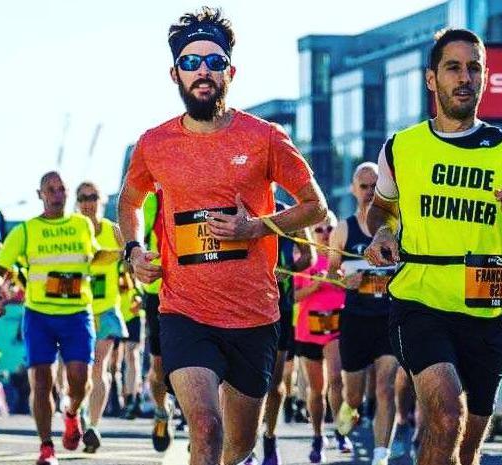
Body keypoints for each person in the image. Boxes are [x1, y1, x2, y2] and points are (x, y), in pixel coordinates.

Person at [116, 7, 327, 465]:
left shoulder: (266, 138)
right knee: (207, 430)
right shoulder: (153, 144)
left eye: (214, 61)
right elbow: (129, 202)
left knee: (237, 445)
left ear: (231, 70)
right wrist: (133, 250)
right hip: (184, 311)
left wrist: (256, 227)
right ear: (175, 73)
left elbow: (316, 206)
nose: (203, 72)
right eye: (191, 63)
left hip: (253, 315)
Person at [363, 28, 502, 465]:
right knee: (445, 415)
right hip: (420, 299)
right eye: (453, 67)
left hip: (486, 306)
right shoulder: (402, 148)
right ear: (431, 79)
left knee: (465, 449)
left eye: (474, 68)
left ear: (485, 77)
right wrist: (383, 233)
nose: (465, 77)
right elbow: (380, 209)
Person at [0, 171, 105, 465]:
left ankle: (72, 413)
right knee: (41, 382)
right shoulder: (26, 230)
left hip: (76, 314)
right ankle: (46, 447)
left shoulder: (82, 225)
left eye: (61, 189)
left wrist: (129, 254)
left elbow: (93, 258)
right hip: (39, 315)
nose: (57, 194)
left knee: (79, 379)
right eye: (50, 190)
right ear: (40, 194)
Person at [327, 162, 398, 465]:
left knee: (385, 387)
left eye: (374, 186)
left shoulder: (396, 227)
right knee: (354, 396)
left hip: (389, 317)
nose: (370, 192)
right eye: (364, 187)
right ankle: (348, 408)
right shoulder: (343, 229)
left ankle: (381, 454)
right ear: (354, 190)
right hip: (356, 319)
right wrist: (345, 280)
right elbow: (330, 273)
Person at [75, 181, 128, 453]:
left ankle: (94, 426)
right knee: (79, 371)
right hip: (76, 310)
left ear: (101, 200)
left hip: (107, 309)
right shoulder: (72, 230)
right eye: (82, 198)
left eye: (92, 197)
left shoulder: (114, 231)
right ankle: (79, 412)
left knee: (99, 366)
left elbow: (132, 256)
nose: (88, 202)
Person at [260, 197, 314, 465]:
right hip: (244, 305)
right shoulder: (242, 207)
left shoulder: (288, 213)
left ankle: (269, 437)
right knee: (239, 379)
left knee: (274, 383)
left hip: (281, 305)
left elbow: (309, 256)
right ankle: (242, 443)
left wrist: (288, 269)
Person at [293, 212, 347, 463]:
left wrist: (348, 281)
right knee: (317, 389)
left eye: (329, 228)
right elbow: (293, 296)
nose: (325, 234)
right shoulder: (304, 258)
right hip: (308, 329)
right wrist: (316, 284)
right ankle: (317, 435)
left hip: (336, 325)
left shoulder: (343, 257)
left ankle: (340, 430)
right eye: (319, 230)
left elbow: (356, 286)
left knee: (336, 379)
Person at [136, 191, 173, 451]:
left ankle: (199, 424)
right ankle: (162, 411)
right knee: (159, 366)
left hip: (198, 289)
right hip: (158, 291)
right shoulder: (154, 198)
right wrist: (136, 255)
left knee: (199, 360)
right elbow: (136, 232)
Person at [118, 271, 144, 420]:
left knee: (132, 355)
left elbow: (142, 289)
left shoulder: (135, 255)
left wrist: (140, 301)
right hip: (115, 313)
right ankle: (118, 399)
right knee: (113, 363)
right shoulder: (112, 259)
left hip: (133, 316)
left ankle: (132, 398)